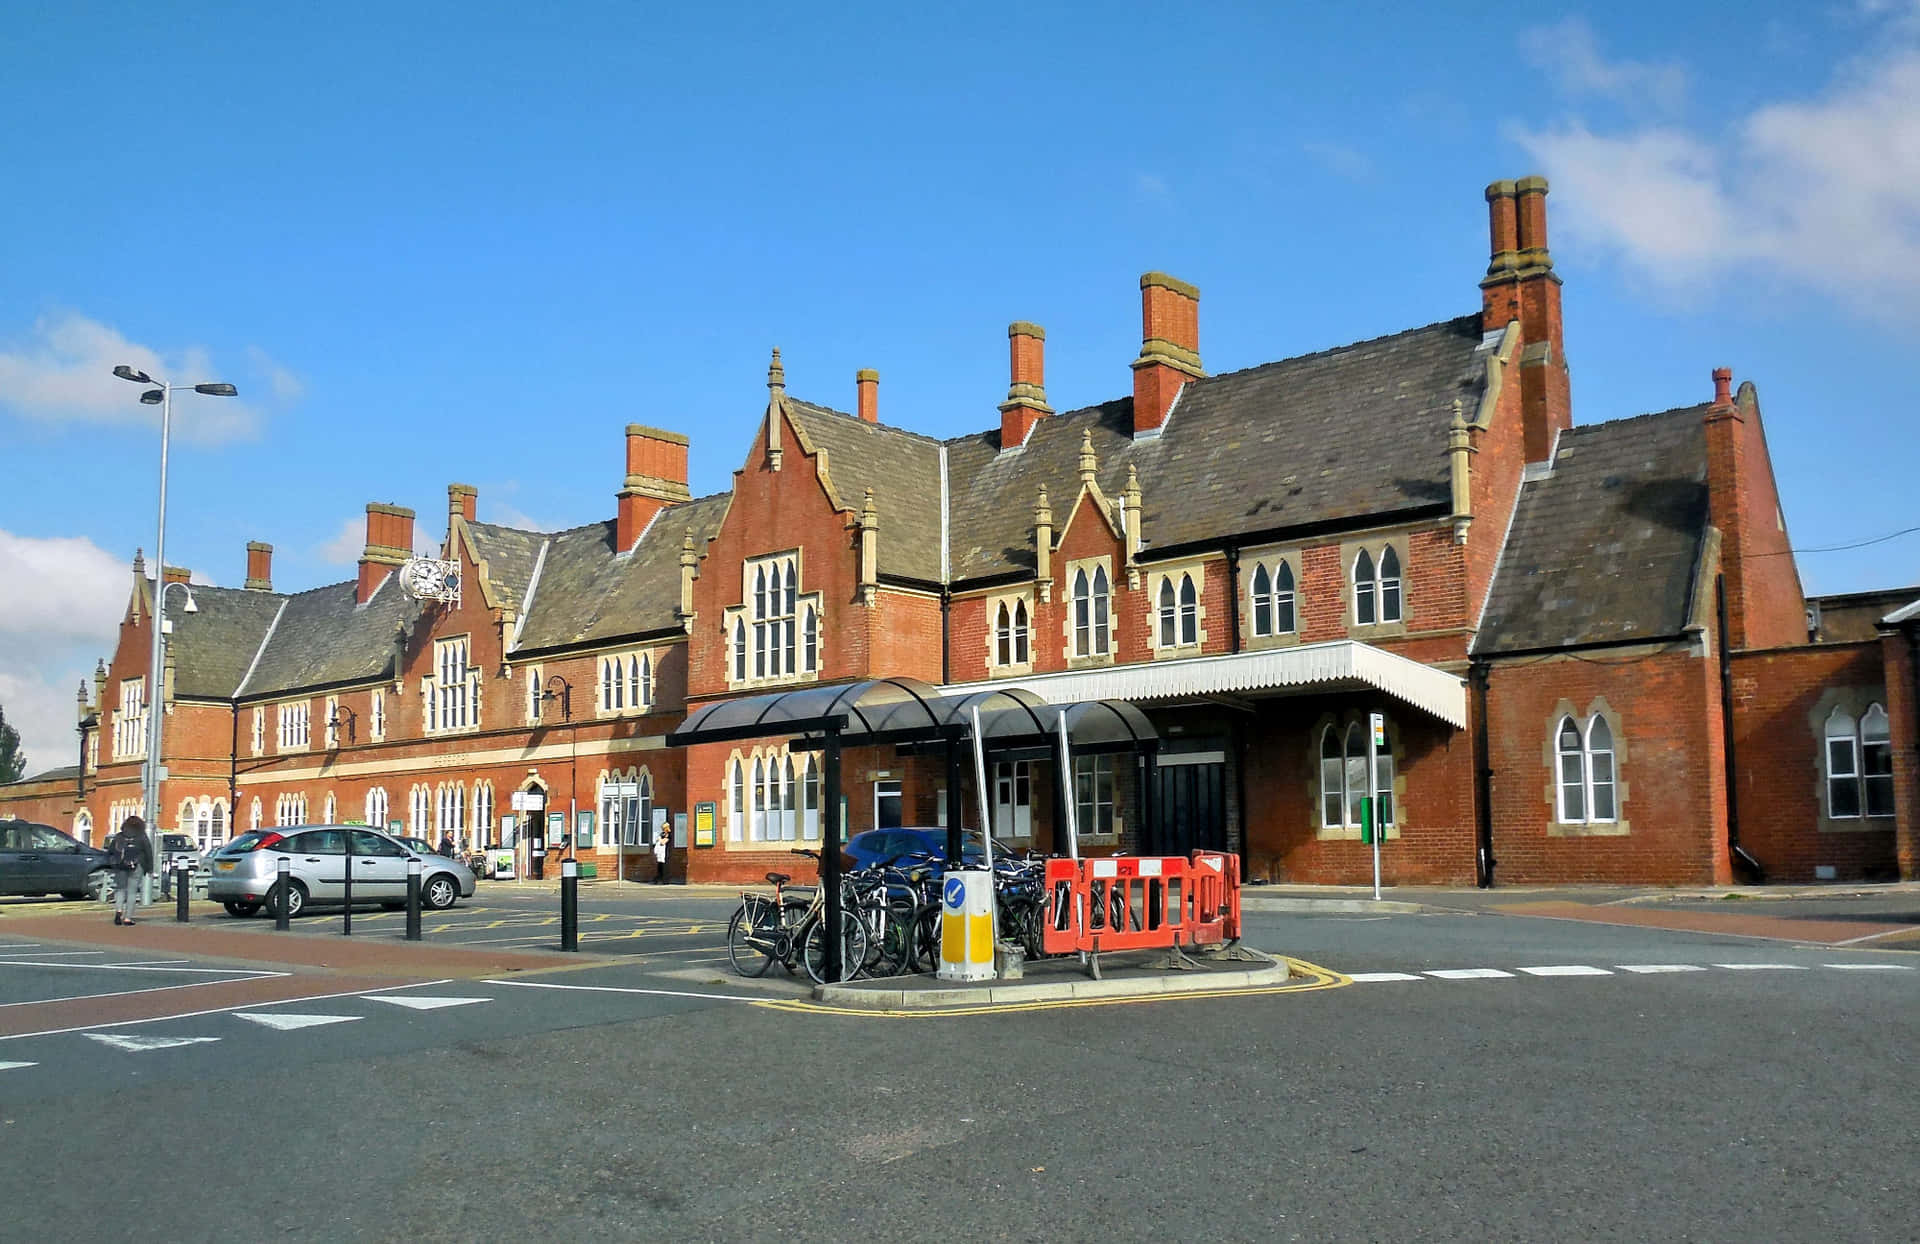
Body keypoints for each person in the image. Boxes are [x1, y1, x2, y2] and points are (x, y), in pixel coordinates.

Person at [107, 814, 154, 927]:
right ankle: (128, 918)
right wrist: (149, 868)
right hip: (136, 866)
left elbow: (111, 851)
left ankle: (118, 911)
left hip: (120, 866)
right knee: (132, 892)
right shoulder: (142, 836)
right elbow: (148, 852)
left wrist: (112, 864)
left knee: (120, 889)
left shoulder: (119, 836)